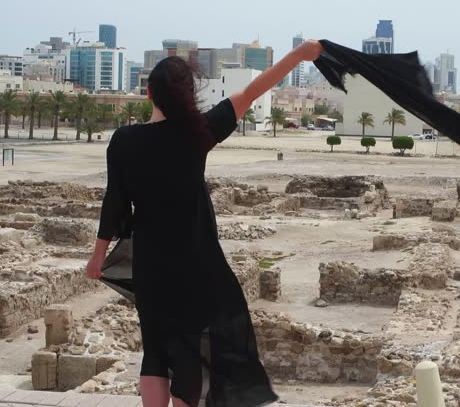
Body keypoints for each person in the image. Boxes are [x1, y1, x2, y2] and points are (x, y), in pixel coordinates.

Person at [87, 40, 323, 407]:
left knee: (154, 348)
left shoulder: (123, 141)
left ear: (148, 92)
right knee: (188, 351)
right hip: (194, 262)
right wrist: (297, 55)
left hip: (149, 262)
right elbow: (253, 90)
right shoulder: (198, 132)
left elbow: (114, 202)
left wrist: (98, 256)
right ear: (187, 94)